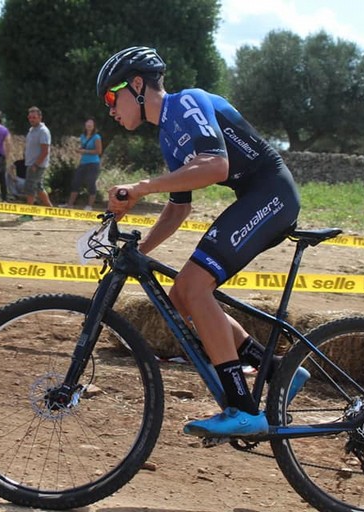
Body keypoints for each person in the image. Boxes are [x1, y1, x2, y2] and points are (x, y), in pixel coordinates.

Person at [97, 46, 308, 438]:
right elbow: (179, 209)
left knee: (195, 286)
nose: (110, 108)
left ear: (138, 85)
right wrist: (138, 252)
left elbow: (216, 165)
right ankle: (276, 371)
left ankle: (243, 407)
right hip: (256, 198)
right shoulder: (167, 138)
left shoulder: (186, 102)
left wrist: (142, 187)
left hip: (271, 194)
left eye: (112, 96)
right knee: (181, 295)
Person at [59, 118, 102, 211]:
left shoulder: (96, 137)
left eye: (91, 124)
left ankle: (89, 205)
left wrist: (85, 151)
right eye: (88, 124)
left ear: (94, 126)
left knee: (90, 183)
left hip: (93, 163)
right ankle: (70, 204)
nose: (89, 126)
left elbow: (98, 151)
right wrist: (78, 150)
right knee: (76, 182)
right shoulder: (82, 136)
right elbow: (81, 147)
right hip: (83, 162)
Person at [19, 106, 53, 221]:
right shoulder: (32, 130)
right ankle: (50, 211)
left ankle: (29, 214)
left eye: (34, 117)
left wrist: (36, 164)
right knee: (39, 188)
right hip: (31, 163)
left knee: (30, 188)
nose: (31, 119)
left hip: (37, 165)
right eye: (30, 117)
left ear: (40, 117)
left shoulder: (43, 131)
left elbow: (45, 150)